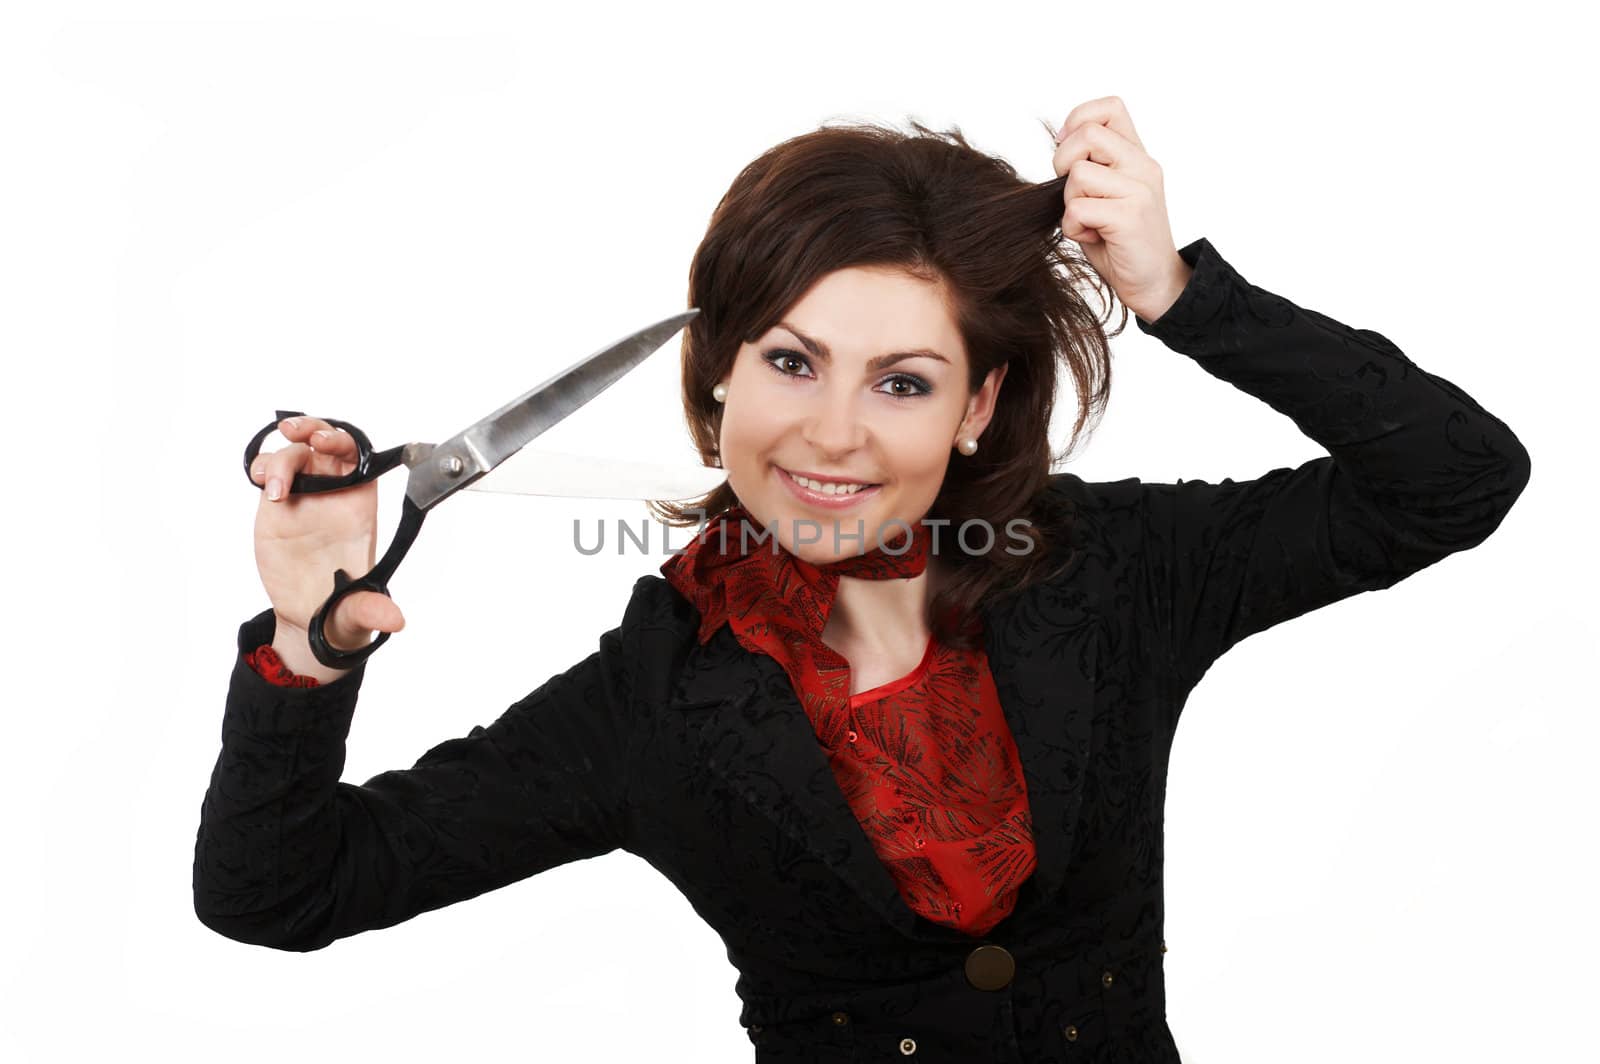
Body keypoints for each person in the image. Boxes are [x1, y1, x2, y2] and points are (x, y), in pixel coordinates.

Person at [194, 97, 1530, 1062]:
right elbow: (280, 895)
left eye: (901, 381)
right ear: (718, 375)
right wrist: (306, 650)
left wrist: (1179, 293)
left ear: (975, 406)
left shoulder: (1113, 576)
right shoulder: (655, 699)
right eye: (791, 361)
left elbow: (1458, 477)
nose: (834, 433)